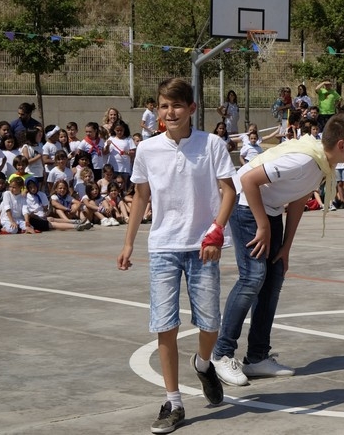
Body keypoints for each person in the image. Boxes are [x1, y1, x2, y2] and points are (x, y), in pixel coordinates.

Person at [116, 78, 236, 434]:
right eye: (164, 106)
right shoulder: (148, 149)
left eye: (177, 105)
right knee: (165, 324)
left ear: (192, 109)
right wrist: (128, 243)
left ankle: (203, 364)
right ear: (157, 109)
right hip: (164, 247)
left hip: (203, 246)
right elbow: (141, 196)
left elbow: (229, 191)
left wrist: (216, 231)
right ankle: (174, 402)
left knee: (210, 324)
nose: (170, 112)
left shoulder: (211, 144)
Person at [211, 113, 344, 387]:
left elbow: (298, 200)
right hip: (245, 205)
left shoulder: (322, 163)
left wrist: (286, 247)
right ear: (342, 145)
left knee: (274, 278)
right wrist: (262, 226)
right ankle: (221, 354)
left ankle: (257, 357)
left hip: (268, 210)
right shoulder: (303, 159)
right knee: (252, 278)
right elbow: (248, 181)